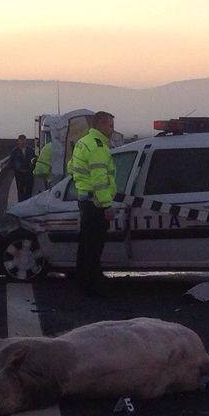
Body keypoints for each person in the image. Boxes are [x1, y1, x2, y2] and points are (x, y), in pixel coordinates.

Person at [68, 111, 117, 296]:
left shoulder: (83, 142)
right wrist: (106, 205)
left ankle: (85, 280)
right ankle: (92, 284)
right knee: (94, 245)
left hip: (85, 199)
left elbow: (71, 167)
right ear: (101, 125)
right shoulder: (98, 147)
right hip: (96, 203)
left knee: (86, 244)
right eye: (110, 125)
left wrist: (82, 184)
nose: (112, 129)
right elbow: (100, 181)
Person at [7, 134, 37, 202]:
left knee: (29, 190)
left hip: (29, 173)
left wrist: (33, 168)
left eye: (24, 140)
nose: (22, 142)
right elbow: (11, 162)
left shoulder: (30, 150)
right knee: (20, 190)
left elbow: (35, 160)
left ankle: (27, 204)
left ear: (26, 141)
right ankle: (21, 204)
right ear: (18, 141)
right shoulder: (15, 151)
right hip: (19, 174)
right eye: (21, 140)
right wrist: (15, 169)